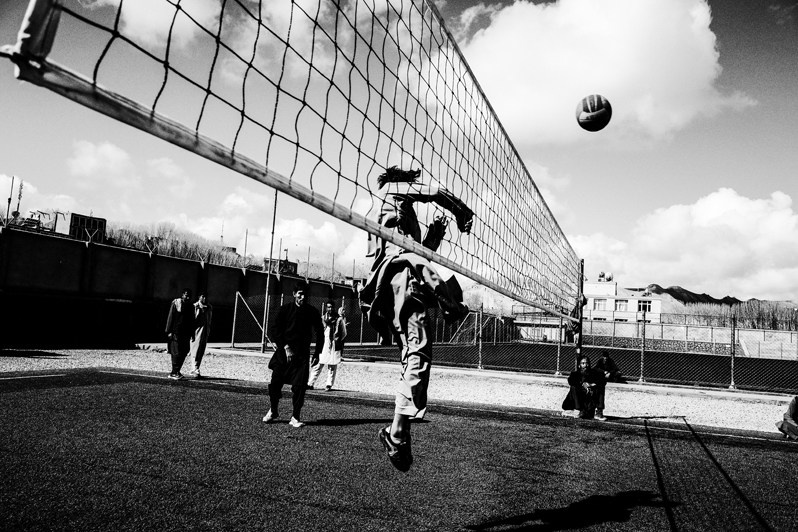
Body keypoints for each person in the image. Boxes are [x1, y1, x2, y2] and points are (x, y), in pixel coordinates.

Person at [359, 166, 473, 471]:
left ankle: (400, 428)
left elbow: (417, 252)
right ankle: (397, 431)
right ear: (402, 179)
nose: (417, 185)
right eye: (413, 180)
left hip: (395, 286)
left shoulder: (392, 211)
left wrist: (435, 233)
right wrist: (463, 212)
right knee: (418, 356)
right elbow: (437, 192)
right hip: (403, 281)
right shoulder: (391, 192)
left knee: (414, 357)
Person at [263, 280, 323, 428]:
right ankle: (273, 410)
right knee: (275, 384)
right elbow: (274, 329)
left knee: (299, 388)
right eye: (300, 294)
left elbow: (320, 332)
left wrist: (317, 354)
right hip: (283, 354)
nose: (303, 298)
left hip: (301, 356)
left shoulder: (312, 312)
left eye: (305, 295)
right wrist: (285, 346)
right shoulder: (285, 310)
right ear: (294, 294)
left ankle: (295, 417)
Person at [308, 303, 347, 391]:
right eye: (328, 307)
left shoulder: (339, 319)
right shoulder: (322, 318)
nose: (330, 309)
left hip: (333, 344)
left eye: (332, 307)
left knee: (332, 365)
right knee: (318, 364)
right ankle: (310, 383)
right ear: (326, 308)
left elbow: (344, 333)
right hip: (324, 343)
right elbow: (319, 331)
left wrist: (337, 340)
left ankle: (329, 384)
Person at [561, 355, 607, 420]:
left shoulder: (594, 373)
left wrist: (591, 385)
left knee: (601, 387)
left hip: (588, 403)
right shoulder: (575, 374)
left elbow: (603, 381)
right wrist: (583, 385)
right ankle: (578, 410)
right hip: (578, 403)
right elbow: (571, 381)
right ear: (579, 365)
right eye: (583, 363)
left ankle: (599, 412)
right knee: (573, 387)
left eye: (587, 363)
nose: (585, 365)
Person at [165, 288, 194, 380]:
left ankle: (176, 371)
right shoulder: (176, 303)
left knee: (184, 352)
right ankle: (174, 372)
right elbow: (171, 317)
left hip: (186, 333)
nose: (187, 297)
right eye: (186, 295)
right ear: (182, 295)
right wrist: (169, 331)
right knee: (176, 352)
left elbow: (191, 321)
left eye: (189, 295)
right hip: (176, 332)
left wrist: (192, 334)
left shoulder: (191, 306)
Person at [189, 293, 213, 379]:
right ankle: (194, 368)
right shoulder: (195, 306)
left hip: (205, 332)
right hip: (196, 332)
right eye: (202, 296)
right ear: (199, 297)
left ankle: (196, 367)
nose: (204, 298)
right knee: (195, 350)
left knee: (201, 350)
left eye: (205, 296)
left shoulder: (209, 307)